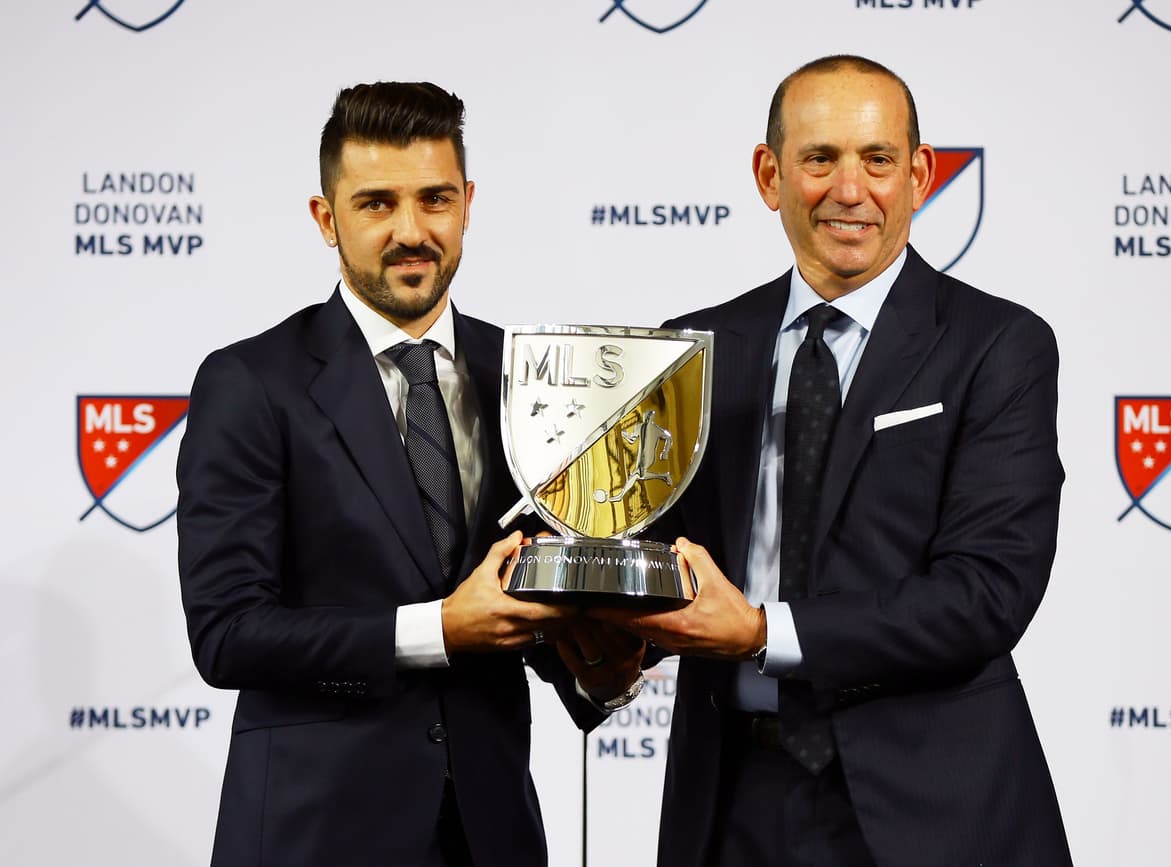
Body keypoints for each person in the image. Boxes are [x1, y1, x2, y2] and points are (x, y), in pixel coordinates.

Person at [597, 56, 1073, 865]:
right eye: (819, 159)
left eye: (877, 160)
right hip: (731, 798)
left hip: (935, 808)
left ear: (920, 175)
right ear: (769, 173)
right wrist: (597, 644)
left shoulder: (998, 345)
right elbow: (644, 552)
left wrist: (757, 631)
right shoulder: (693, 349)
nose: (849, 189)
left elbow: (987, 593)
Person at [176, 81, 641, 867]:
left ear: (468, 202)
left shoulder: (531, 375)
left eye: (434, 198)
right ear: (327, 219)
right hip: (313, 836)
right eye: (376, 204)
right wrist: (436, 629)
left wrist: (601, 669)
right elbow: (227, 633)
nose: (411, 230)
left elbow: (531, 602)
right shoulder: (252, 382)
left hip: (493, 833)